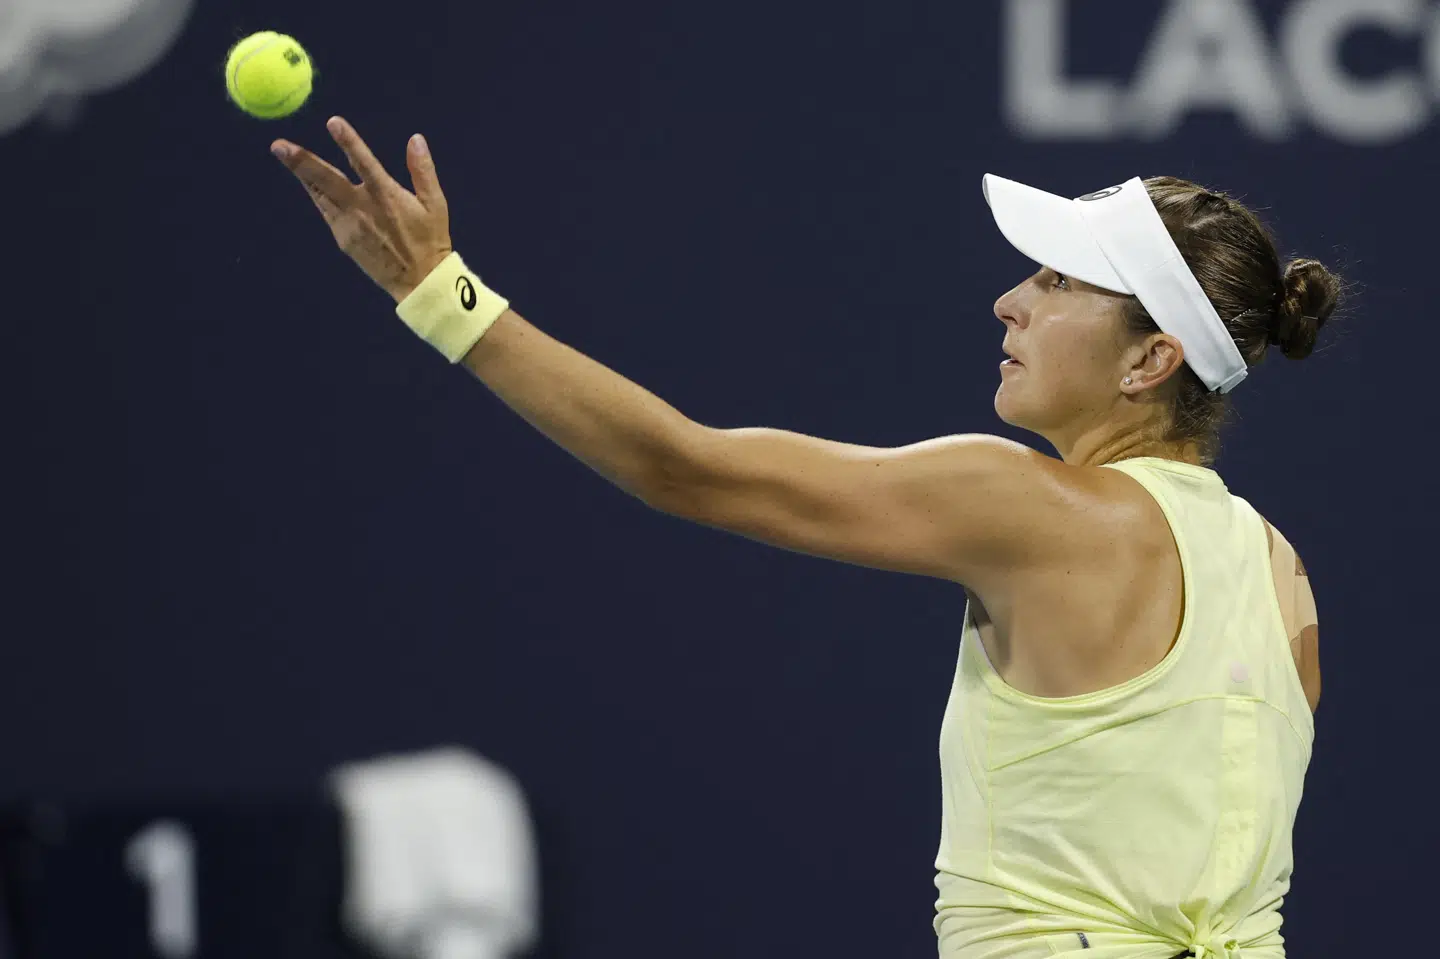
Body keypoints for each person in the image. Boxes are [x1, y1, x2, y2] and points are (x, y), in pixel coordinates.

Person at [270, 117, 1335, 959]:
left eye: (1057, 283)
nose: (1011, 299)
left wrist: (440, 295)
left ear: (1148, 361)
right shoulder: (1282, 576)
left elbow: (683, 465)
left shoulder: (1032, 506)